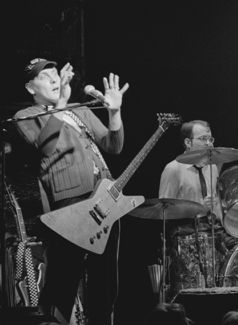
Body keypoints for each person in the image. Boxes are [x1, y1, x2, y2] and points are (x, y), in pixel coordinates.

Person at [13, 58, 128, 324]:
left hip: (105, 199)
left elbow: (114, 146)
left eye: (56, 73)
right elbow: (45, 146)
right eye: (45, 77)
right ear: (30, 88)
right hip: (69, 204)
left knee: (105, 280)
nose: (54, 79)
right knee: (63, 279)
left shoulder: (80, 110)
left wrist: (114, 113)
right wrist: (61, 104)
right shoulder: (26, 115)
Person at [159, 120, 222, 220]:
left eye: (210, 139)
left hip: (211, 227)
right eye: (203, 139)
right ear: (188, 142)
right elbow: (165, 211)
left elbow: (216, 204)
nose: (209, 144)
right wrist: (200, 209)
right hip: (187, 229)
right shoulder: (173, 168)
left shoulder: (212, 167)